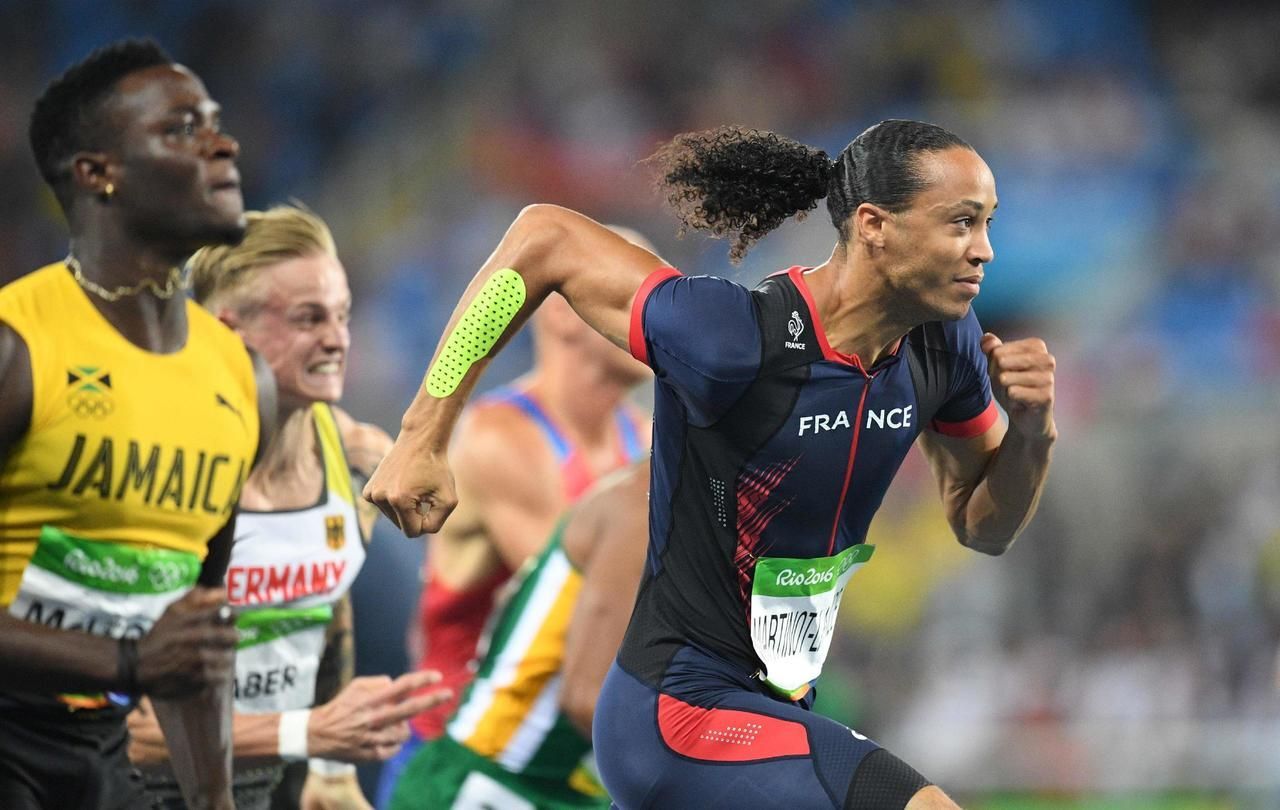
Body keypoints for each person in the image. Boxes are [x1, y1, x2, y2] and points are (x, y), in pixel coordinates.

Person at [366, 120, 1057, 809]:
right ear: (874, 224)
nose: (985, 251)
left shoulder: (946, 346)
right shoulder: (733, 339)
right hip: (674, 716)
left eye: (988, 223)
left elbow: (983, 526)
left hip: (775, 711)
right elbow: (544, 236)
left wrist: (1032, 433)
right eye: (963, 223)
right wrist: (421, 435)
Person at [0, 39, 272, 810]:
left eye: (216, 121)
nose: (224, 142)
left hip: (101, 759)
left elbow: (191, 647)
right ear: (98, 172)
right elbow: (148, 657)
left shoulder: (240, 377)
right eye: (183, 127)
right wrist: (123, 660)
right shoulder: (18, 346)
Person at [125, 205, 450, 809]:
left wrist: (330, 768)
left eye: (343, 315)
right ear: (228, 330)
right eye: (308, 318)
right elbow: (129, 731)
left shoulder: (358, 457)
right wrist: (313, 733)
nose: (337, 339)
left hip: (274, 787)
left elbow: (327, 610)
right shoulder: (157, 476)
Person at [375, 227, 653, 807]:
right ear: (562, 313)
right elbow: (604, 618)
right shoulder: (500, 440)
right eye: (628, 298)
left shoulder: (643, 439)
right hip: (463, 756)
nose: (653, 319)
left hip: (563, 764)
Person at [387, 460, 650, 810]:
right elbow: (588, 701)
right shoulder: (643, 507)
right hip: (494, 780)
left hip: (564, 785)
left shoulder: (692, 504)